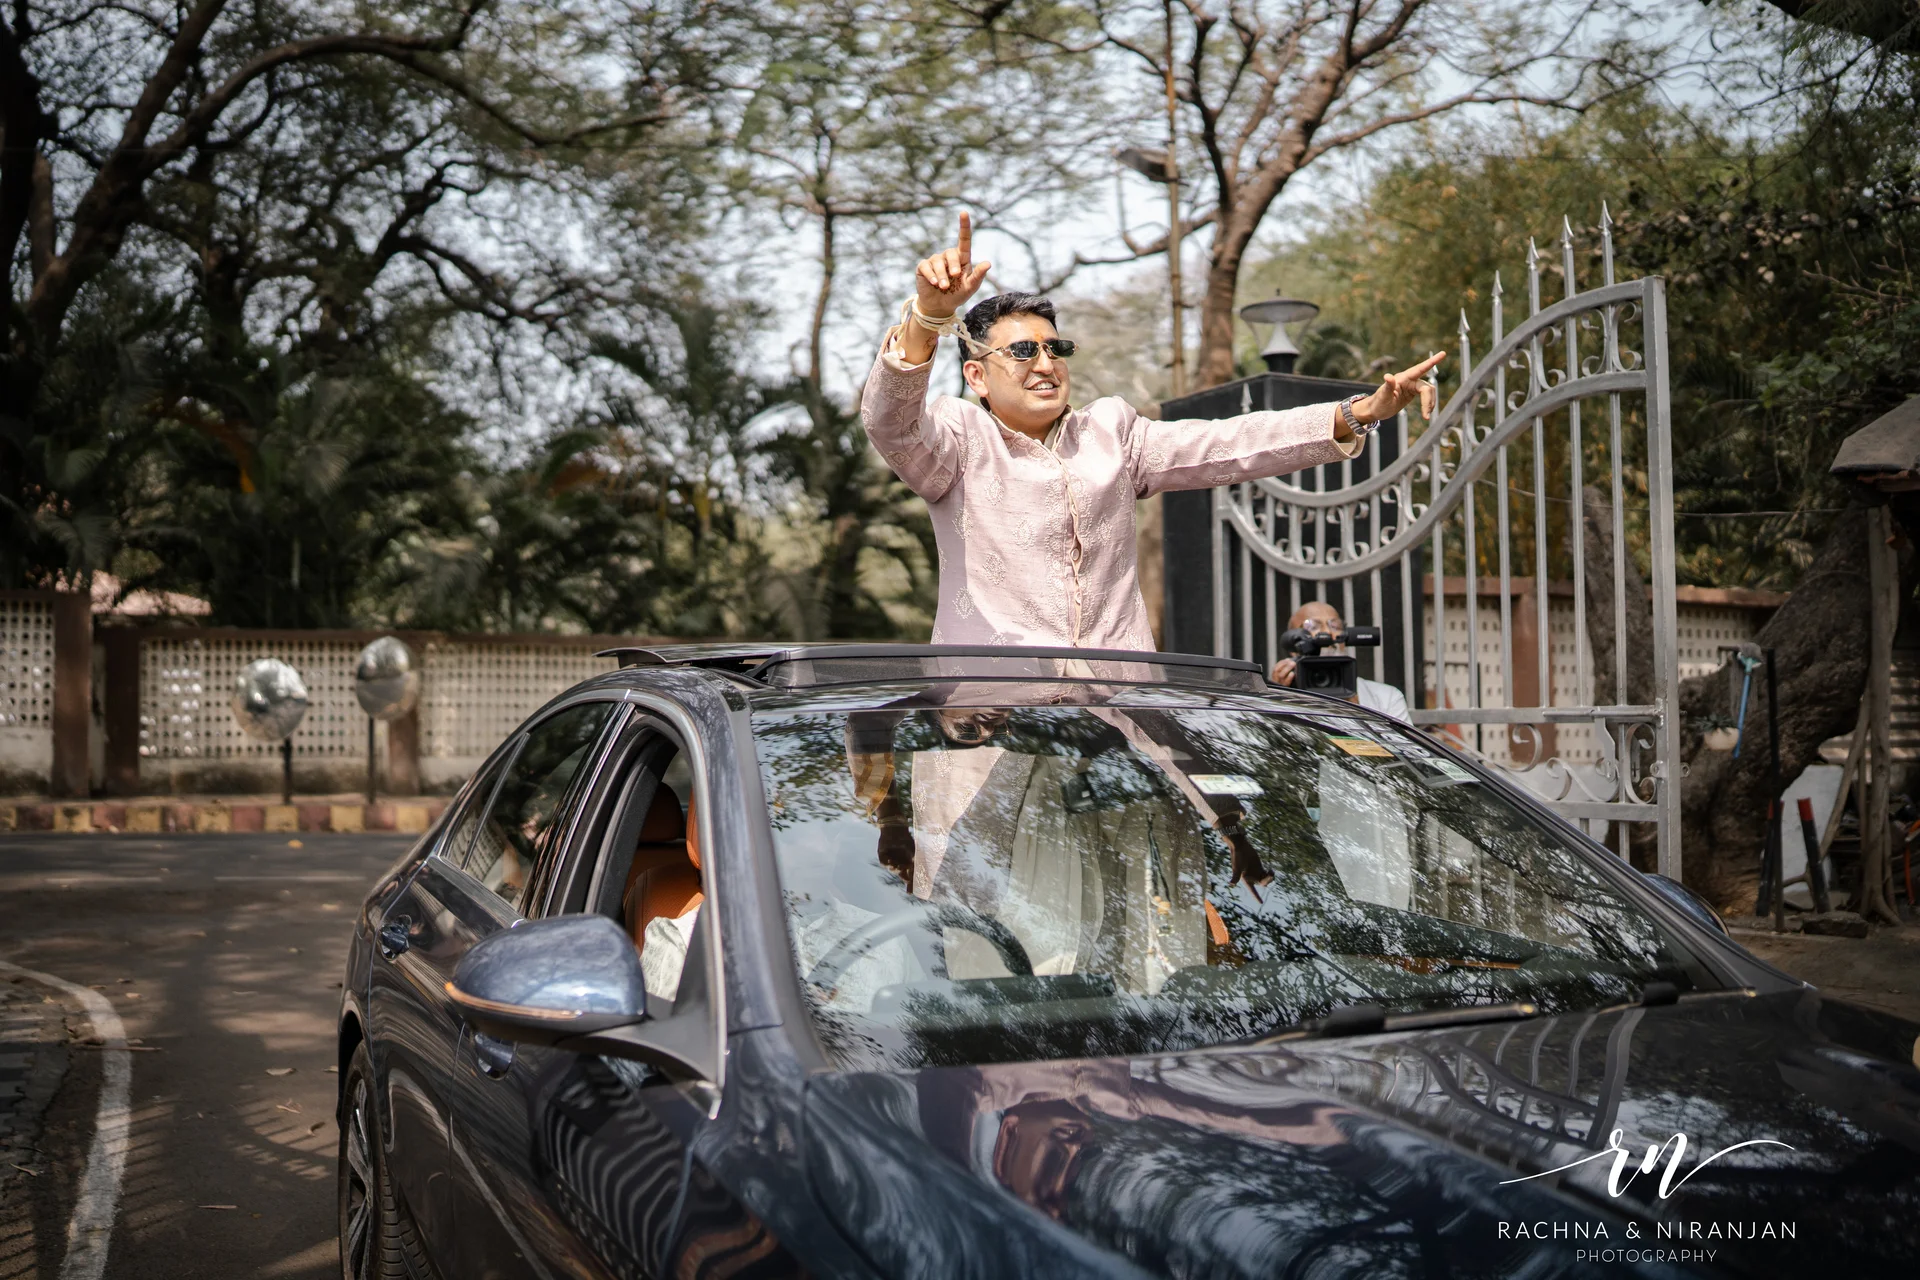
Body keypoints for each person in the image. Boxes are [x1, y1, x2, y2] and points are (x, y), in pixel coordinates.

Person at [861, 212, 1444, 649]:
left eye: (1054, 347)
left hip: (1115, 721)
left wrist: (1357, 412)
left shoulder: (1111, 434)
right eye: (1021, 351)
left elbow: (1230, 443)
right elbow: (890, 423)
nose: (1045, 364)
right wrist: (927, 318)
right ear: (977, 375)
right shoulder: (958, 439)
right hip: (987, 722)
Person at [1269, 600, 1410, 720]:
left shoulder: (1387, 697)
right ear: (1291, 643)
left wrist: (1355, 709)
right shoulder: (1280, 692)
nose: (1328, 633)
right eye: (1312, 626)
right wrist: (1276, 696)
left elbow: (1404, 751)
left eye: (1335, 626)